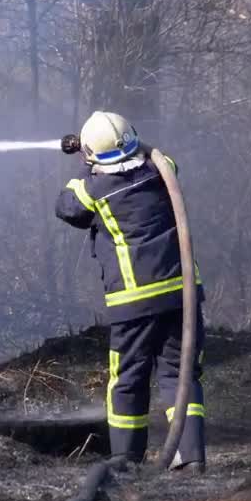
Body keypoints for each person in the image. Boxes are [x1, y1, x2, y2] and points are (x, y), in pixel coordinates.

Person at [55, 110, 206, 473]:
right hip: (180, 293)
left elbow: (66, 206)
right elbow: (161, 157)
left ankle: (125, 460)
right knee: (180, 375)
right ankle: (192, 457)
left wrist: (84, 164)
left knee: (127, 379)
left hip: (133, 301)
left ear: (92, 155)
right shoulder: (160, 170)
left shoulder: (96, 189)